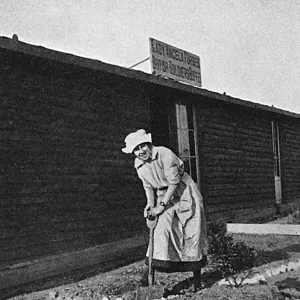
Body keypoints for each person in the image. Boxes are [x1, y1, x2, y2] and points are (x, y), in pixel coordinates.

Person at [122, 129, 208, 289]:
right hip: (163, 194)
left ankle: (197, 281)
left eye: (143, 147)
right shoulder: (139, 165)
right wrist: (150, 203)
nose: (141, 152)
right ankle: (148, 278)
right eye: (136, 149)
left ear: (149, 144)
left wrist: (160, 207)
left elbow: (174, 183)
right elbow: (148, 185)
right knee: (160, 231)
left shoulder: (165, 154)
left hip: (184, 193)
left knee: (191, 233)